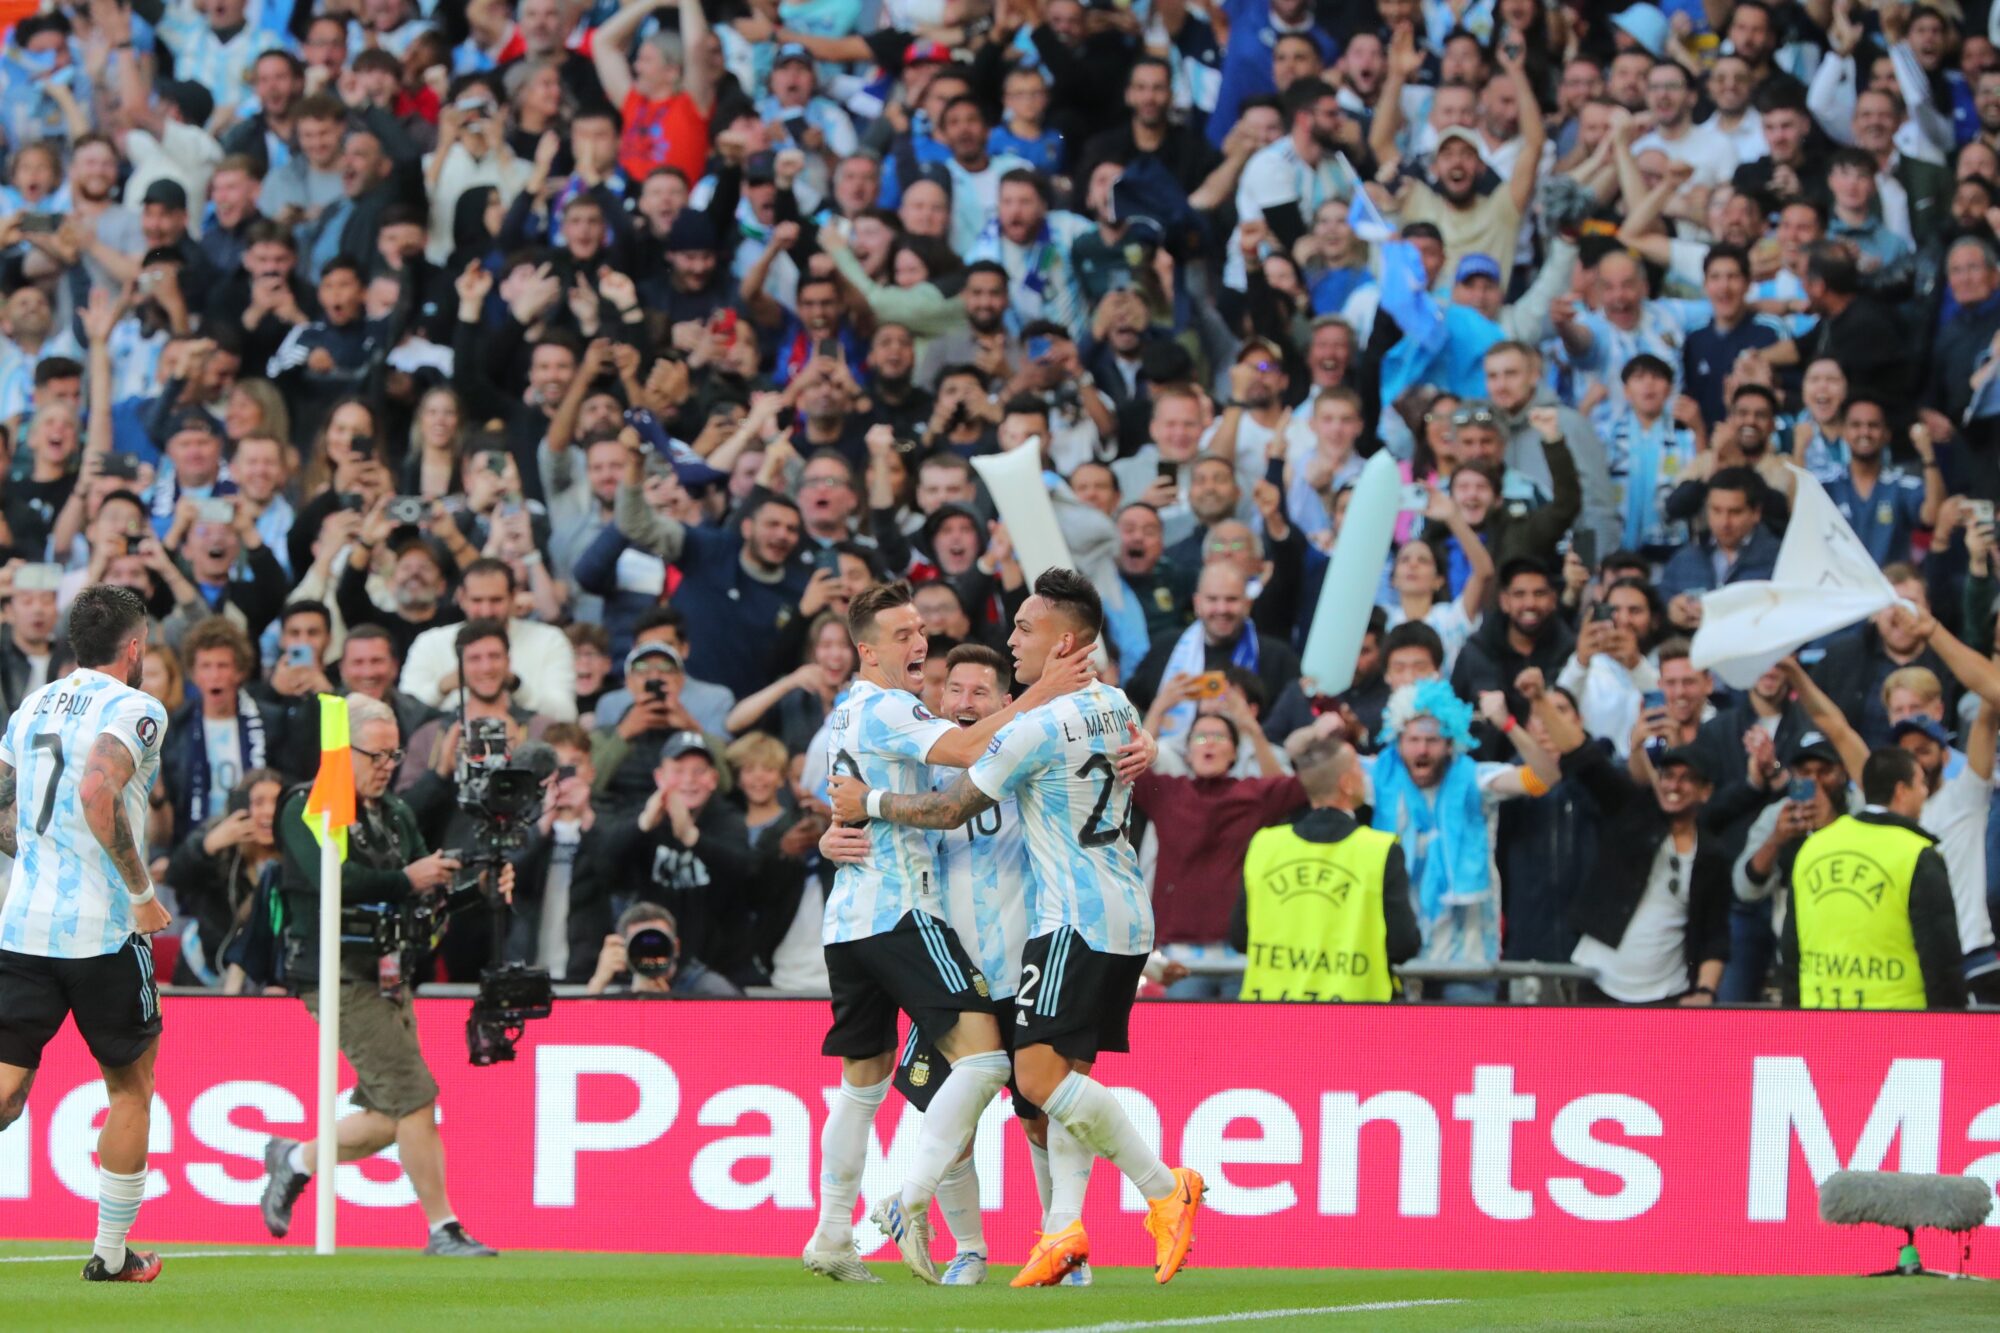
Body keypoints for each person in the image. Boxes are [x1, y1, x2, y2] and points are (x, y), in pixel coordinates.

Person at [828, 569, 1204, 1289]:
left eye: (1022, 632)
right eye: (953, 690)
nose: (1010, 636)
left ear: (1013, 690)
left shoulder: (1020, 737)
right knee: (1012, 1095)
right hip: (1017, 947)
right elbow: (1115, 725)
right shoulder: (1113, 704)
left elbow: (948, 808)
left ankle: (1131, 1201)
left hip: (1052, 933)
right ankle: (1026, 1239)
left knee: (1037, 1093)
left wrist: (867, 799)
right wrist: (834, 833)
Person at [796, 579, 1094, 1284]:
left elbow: (859, 795)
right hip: (904, 910)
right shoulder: (895, 707)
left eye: (919, 628)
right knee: (986, 1062)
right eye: (903, 634)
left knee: (861, 1085)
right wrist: (1042, 688)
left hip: (849, 918)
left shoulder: (846, 713)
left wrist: (838, 829)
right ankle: (910, 1197)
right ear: (867, 649)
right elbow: (962, 753)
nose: (917, 639)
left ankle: (832, 1234)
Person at [260, 693, 507, 1257]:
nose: (387, 767)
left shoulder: (394, 814)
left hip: (393, 972)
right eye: (377, 756)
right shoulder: (309, 806)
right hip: (336, 972)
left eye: (395, 757)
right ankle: (443, 1228)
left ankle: (292, 1159)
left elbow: (425, 893)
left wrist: (473, 891)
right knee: (416, 1098)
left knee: (386, 1114)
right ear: (341, 751)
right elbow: (335, 877)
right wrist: (408, 879)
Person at [0, 585, 172, 1282]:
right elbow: (99, 790)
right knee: (130, 1087)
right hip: (102, 931)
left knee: (7, 1089)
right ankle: (109, 1254)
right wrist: (141, 893)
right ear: (133, 648)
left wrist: (40, 858)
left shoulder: (32, 703)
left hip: (21, 926)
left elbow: (4, 807)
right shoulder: (136, 707)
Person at [1534, 687, 1730, 1006]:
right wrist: (1538, 700)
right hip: (1598, 984)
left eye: (1685, 779)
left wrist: (1705, 992)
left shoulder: (1712, 855)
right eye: (1667, 776)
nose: (1673, 786)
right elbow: (1585, 759)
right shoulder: (1633, 814)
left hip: (1668, 995)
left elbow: (1715, 936)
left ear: (1705, 791)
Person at [1233, 721, 1419, 1001]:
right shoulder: (1378, 849)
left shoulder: (1265, 844)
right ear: (1346, 783)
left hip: (1270, 1011)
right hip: (1357, 1013)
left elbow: (1239, 936)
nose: (1363, 777)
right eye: (1357, 768)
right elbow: (1403, 943)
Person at [1783, 748, 1966, 1010]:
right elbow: (1940, 958)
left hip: (1819, 1022)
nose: (1925, 793)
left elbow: (1791, 953)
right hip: (1899, 1026)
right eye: (1920, 784)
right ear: (1901, 791)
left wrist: (1791, 1024)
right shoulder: (1917, 854)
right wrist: (1953, 1029)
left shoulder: (1814, 847)